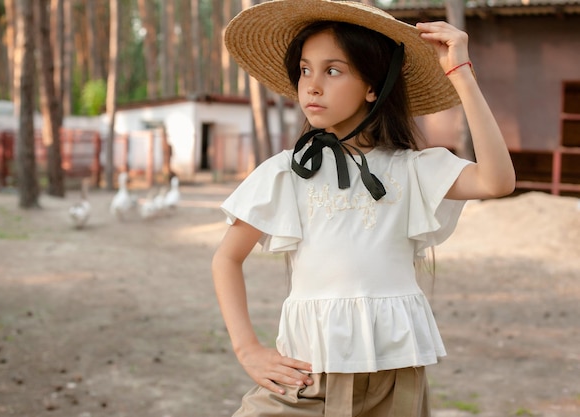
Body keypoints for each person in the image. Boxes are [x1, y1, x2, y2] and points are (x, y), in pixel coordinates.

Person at [212, 1, 515, 416]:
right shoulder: (286, 172)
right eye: (304, 69)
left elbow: (497, 181)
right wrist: (247, 348)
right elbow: (226, 258)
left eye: (332, 71)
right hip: (307, 371)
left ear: (373, 86)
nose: (312, 86)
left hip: (394, 375)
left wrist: (461, 76)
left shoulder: (411, 169)